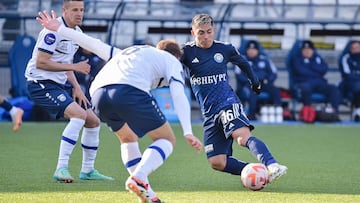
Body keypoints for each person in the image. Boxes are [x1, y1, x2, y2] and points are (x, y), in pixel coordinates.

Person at [36, 10, 203, 203]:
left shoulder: (133, 51)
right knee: (166, 139)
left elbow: (95, 45)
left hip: (98, 94)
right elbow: (178, 92)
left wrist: (60, 29)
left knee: (128, 138)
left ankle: (148, 195)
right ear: (176, 56)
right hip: (128, 90)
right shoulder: (171, 61)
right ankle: (139, 176)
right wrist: (188, 131)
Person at [180, 14, 287, 183]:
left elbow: (244, 63)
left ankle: (272, 165)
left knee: (241, 137)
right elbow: (169, 63)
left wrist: (255, 81)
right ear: (193, 32)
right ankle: (256, 172)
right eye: (201, 32)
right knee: (217, 162)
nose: (206, 36)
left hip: (227, 103)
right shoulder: (186, 52)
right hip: (209, 113)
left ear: (214, 30)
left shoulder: (225, 48)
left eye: (209, 31)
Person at [25, 0, 112, 183]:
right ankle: (61, 168)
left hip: (61, 83)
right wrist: (75, 66)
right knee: (79, 115)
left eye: (82, 10)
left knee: (93, 121)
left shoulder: (76, 33)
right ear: (64, 10)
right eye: (75, 9)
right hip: (40, 82)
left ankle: (87, 171)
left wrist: (76, 87)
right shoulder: (52, 31)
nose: (79, 13)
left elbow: (65, 64)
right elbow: (42, 62)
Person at [291, 40, 342, 117]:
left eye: (309, 50)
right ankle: (307, 113)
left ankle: (334, 113)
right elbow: (301, 71)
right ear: (301, 50)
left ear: (312, 50)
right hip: (304, 83)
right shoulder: (296, 59)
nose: (307, 51)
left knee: (333, 89)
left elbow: (324, 69)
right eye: (305, 50)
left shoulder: (317, 58)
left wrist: (310, 66)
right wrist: (316, 72)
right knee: (305, 88)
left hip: (320, 84)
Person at [235, 40, 282, 120]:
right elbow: (238, 75)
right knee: (253, 92)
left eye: (254, 50)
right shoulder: (241, 60)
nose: (251, 51)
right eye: (249, 49)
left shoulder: (264, 59)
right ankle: (252, 115)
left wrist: (268, 80)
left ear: (257, 50)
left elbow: (273, 73)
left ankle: (278, 113)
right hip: (249, 84)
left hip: (263, 83)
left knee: (275, 90)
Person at [339, 40, 360, 121]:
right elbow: (347, 74)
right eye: (353, 48)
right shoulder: (346, 58)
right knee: (358, 87)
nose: (355, 49)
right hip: (350, 82)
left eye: (357, 47)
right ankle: (358, 111)